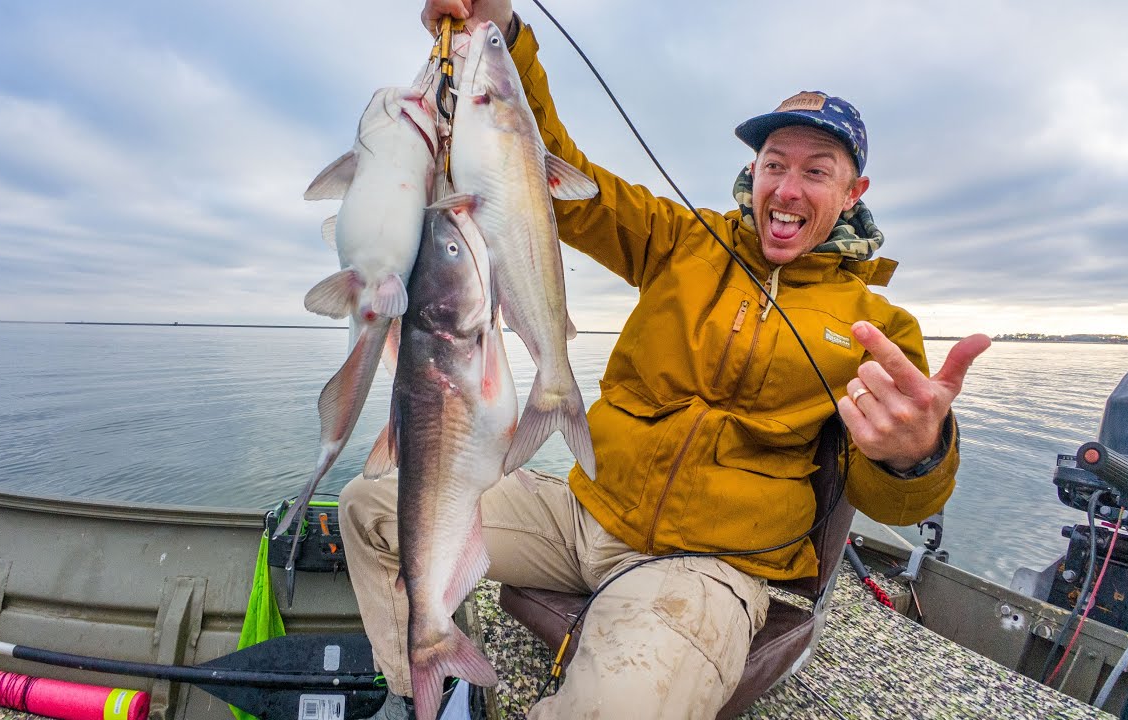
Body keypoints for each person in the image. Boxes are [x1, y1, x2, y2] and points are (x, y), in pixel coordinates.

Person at [339, 1, 993, 718]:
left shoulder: (879, 323)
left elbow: (895, 499)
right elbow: (560, 183)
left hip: (708, 565)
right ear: (755, 170)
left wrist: (917, 456)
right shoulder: (683, 241)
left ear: (853, 191)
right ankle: (426, 687)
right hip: (583, 514)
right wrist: (505, 34)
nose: (787, 189)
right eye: (775, 164)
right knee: (369, 506)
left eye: (817, 170)